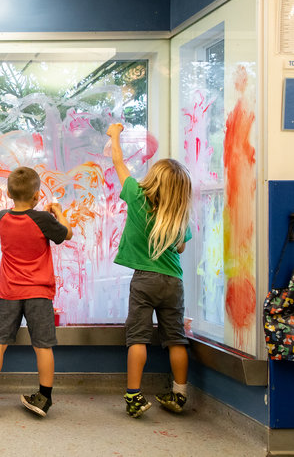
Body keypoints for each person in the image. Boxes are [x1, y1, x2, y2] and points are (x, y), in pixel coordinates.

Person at [0, 166, 72, 417]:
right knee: (43, 346)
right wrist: (58, 212)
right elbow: (67, 233)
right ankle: (44, 398)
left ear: (8, 192)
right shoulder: (44, 220)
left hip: (9, 293)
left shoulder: (3, 218)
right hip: (39, 294)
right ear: (37, 196)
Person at [106, 123, 193, 418]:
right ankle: (179, 394)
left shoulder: (136, 195)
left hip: (144, 281)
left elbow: (119, 162)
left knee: (138, 338)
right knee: (176, 339)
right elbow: (180, 248)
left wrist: (115, 135)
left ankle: (134, 396)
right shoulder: (179, 214)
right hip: (173, 282)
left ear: (153, 178)